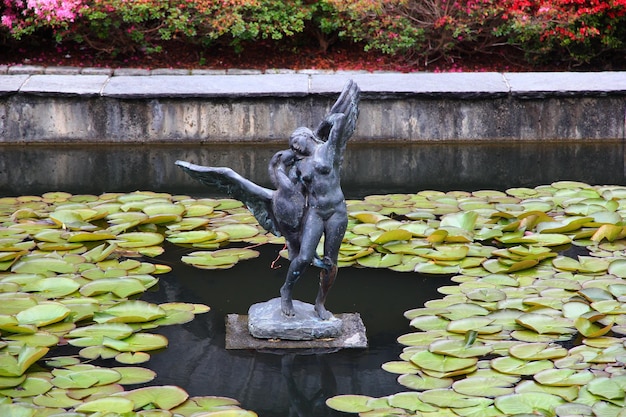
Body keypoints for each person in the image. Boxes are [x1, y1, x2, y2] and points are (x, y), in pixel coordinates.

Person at [279, 113, 351, 320]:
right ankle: (286, 291)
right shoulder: (299, 166)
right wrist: (279, 169)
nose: (294, 146)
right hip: (316, 212)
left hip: (337, 211)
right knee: (304, 257)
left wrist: (327, 121)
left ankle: (320, 303)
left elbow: (340, 122)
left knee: (331, 262)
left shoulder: (328, 149)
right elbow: (289, 192)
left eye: (295, 140)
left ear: (307, 136)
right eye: (292, 145)